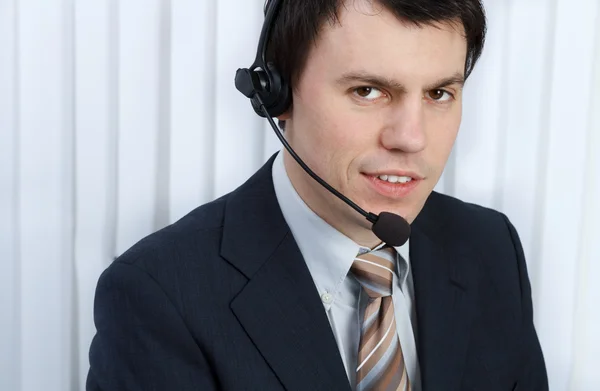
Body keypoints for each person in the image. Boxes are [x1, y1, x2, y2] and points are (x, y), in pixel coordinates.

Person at [87, 0, 548, 390]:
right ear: (276, 95)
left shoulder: (490, 246)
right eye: (368, 91)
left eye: (439, 94)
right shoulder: (158, 296)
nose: (412, 139)